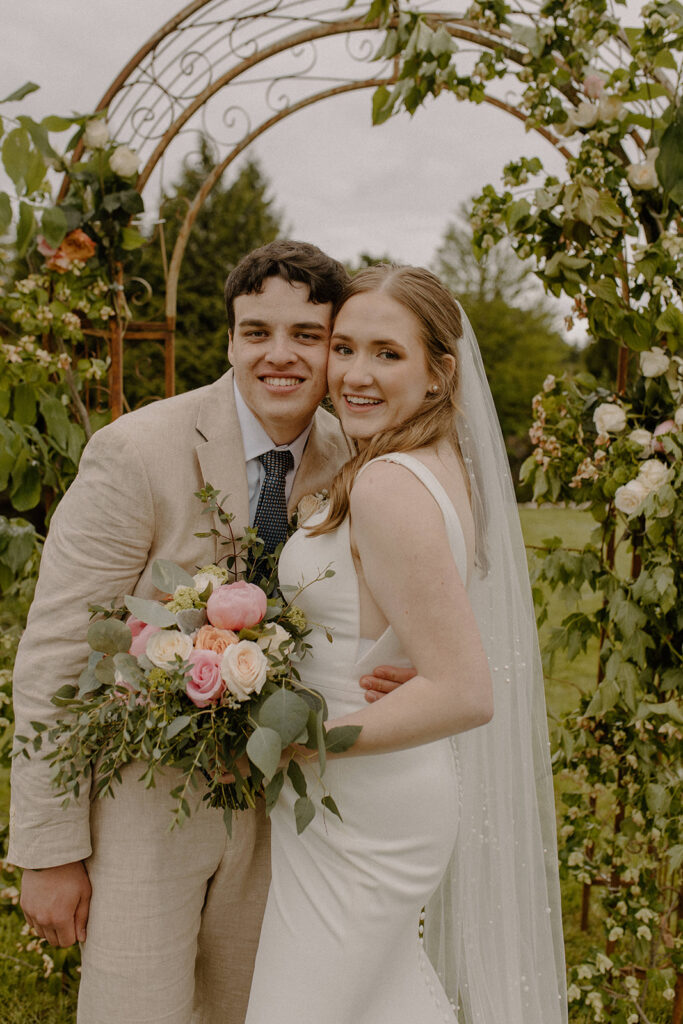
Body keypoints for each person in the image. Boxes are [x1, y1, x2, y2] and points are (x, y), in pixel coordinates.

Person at [8, 240, 409, 1024]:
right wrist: (49, 850)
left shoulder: (357, 460)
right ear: (228, 340)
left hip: (288, 816)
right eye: (256, 332)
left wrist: (391, 668)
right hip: (144, 808)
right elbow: (56, 651)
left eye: (306, 334)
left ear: (334, 347)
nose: (279, 355)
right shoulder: (136, 451)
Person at [244, 265, 568, 1024]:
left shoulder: (388, 484)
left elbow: (463, 690)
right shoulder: (429, 462)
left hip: (364, 802)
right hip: (359, 794)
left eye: (386, 354)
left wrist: (298, 741)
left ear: (437, 375)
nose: (355, 374)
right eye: (344, 348)